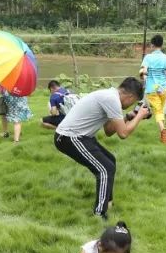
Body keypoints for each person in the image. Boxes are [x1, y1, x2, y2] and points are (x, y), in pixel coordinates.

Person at [54, 77, 149, 219]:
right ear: (130, 96)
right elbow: (123, 134)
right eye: (133, 102)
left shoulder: (110, 96)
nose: (131, 105)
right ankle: (100, 214)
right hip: (69, 137)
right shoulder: (111, 99)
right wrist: (140, 116)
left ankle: (107, 202)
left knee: (110, 161)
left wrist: (129, 117)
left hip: (82, 136)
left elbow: (109, 131)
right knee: (105, 169)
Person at [140, 34, 166, 143]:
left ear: (152, 45)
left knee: (158, 112)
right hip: (164, 88)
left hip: (152, 88)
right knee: (161, 111)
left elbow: (144, 71)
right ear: (162, 44)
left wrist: (143, 73)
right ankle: (163, 133)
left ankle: (163, 132)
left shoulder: (148, 57)